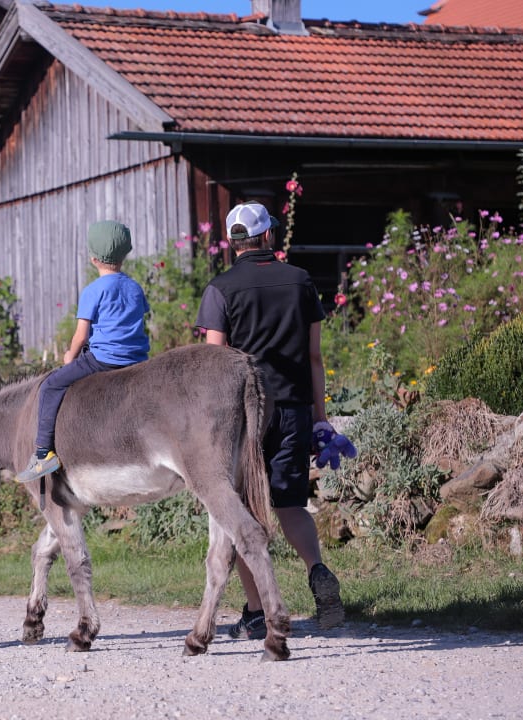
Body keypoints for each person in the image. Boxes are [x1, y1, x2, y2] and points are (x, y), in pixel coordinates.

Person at [195, 201, 345, 636]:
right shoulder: (300, 281)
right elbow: (314, 357)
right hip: (294, 409)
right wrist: (320, 418)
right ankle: (317, 570)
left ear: (233, 242)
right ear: (267, 236)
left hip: (244, 418)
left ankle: (257, 611)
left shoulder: (220, 289)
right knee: (290, 504)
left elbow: (214, 365)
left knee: (243, 512)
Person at [16, 220, 150, 483]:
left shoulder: (93, 290)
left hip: (104, 360)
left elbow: (81, 335)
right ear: (125, 254)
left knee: (51, 386)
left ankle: (43, 454)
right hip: (137, 359)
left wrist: (70, 356)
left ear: (93, 258)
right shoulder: (134, 287)